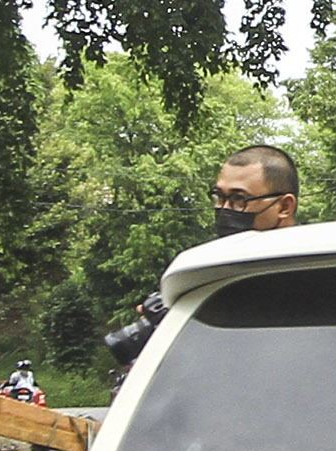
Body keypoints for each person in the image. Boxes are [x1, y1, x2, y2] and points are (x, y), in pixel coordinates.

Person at [103, 142, 302, 378]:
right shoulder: (207, 269)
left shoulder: (310, 270)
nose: (225, 209)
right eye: (219, 197)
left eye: (239, 199)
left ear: (284, 206)